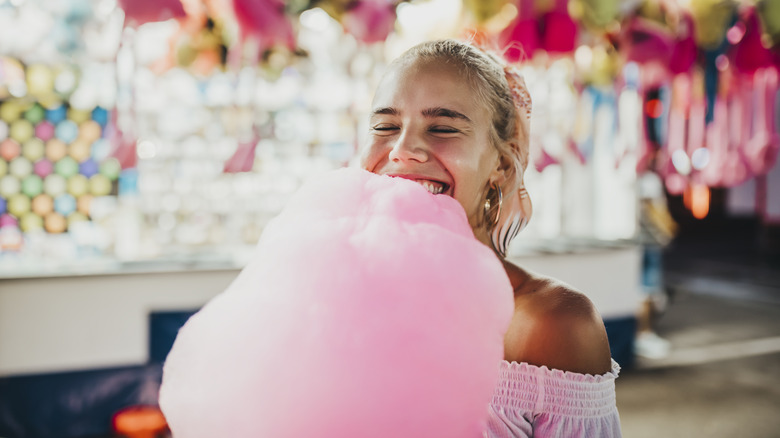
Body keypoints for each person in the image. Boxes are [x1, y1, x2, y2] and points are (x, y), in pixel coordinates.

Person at [361, 39, 622, 437]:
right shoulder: (333, 299)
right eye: (386, 126)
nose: (402, 150)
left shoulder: (549, 326)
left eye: (443, 128)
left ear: (501, 163)